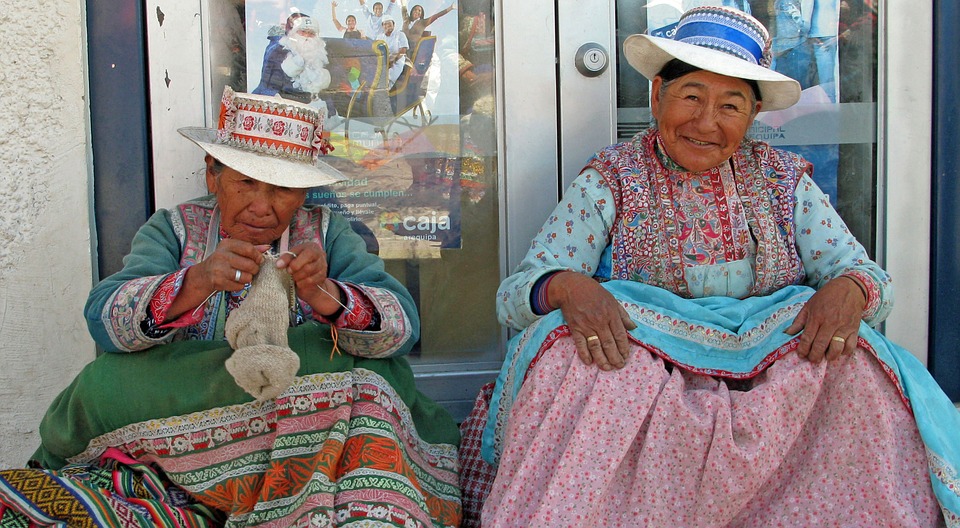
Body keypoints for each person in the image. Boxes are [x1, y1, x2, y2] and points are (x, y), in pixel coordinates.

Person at [471, 7, 960, 526]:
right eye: (691, 97)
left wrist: (849, 290)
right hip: (646, 367)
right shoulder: (612, 177)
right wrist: (568, 286)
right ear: (658, 95)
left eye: (730, 105)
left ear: (752, 117)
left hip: (768, 372)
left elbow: (865, 275)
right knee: (575, 356)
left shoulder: (782, 179)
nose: (706, 122)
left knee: (853, 362)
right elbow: (516, 295)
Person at [0, 88, 461, 527]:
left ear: (304, 193)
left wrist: (324, 295)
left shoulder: (328, 232)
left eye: (282, 189)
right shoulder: (175, 229)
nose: (262, 206)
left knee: (376, 376)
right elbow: (104, 319)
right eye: (245, 182)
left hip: (298, 400)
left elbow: (401, 326)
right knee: (102, 382)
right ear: (212, 174)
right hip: (192, 399)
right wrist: (196, 281)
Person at [252, 14, 332, 103]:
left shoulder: (320, 54)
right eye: (303, 32)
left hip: (308, 105)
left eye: (311, 34)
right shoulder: (279, 50)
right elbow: (269, 84)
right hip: (280, 103)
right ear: (294, 33)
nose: (306, 36)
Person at [378, 14, 409, 86]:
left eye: (389, 23)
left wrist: (392, 61)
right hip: (382, 62)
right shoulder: (379, 37)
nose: (387, 25)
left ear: (393, 24)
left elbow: (403, 51)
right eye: (385, 24)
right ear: (382, 26)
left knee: (387, 79)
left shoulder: (400, 34)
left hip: (397, 61)